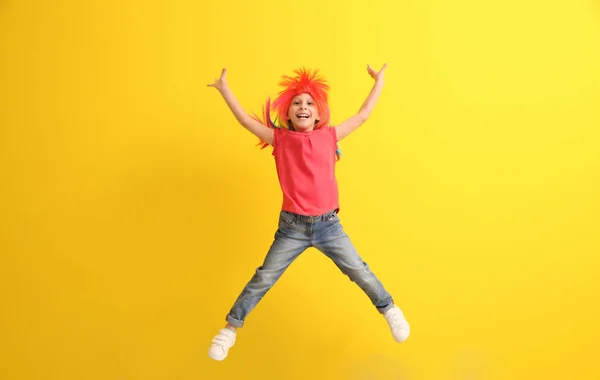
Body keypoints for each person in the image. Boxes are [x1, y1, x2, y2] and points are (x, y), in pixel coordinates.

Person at [206, 65, 410, 361]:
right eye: (297, 103)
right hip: (292, 229)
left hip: (329, 226)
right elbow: (245, 121)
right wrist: (225, 90)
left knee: (359, 270)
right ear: (287, 114)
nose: (303, 107)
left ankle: (389, 308)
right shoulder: (280, 139)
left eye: (309, 103)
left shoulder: (330, 136)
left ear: (319, 114)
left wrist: (379, 82)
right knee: (263, 278)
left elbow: (363, 115)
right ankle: (229, 330)